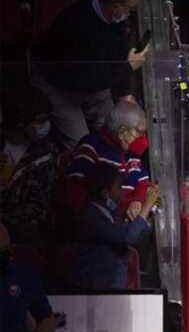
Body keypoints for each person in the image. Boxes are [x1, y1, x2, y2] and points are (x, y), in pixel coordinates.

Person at [32, 0, 148, 150]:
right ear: (116, 8)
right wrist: (127, 67)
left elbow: (116, 55)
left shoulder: (114, 19)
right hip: (60, 87)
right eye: (130, 9)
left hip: (95, 82)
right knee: (83, 147)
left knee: (116, 134)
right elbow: (86, 78)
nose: (129, 15)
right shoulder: (74, 23)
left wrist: (125, 93)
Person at [61, 101, 151, 238]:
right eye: (139, 132)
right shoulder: (92, 147)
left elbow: (142, 181)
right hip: (103, 231)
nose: (142, 139)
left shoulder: (130, 152)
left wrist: (137, 200)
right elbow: (75, 192)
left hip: (128, 223)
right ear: (122, 131)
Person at [73, 164, 158, 290]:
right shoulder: (92, 217)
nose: (121, 191)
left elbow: (139, 231)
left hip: (114, 286)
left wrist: (146, 212)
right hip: (98, 289)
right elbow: (128, 236)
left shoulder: (110, 212)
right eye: (118, 187)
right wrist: (147, 205)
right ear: (105, 193)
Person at [0, 89, 61, 245]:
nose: (44, 125)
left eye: (46, 120)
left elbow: (37, 206)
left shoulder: (45, 155)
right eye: (39, 120)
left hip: (17, 231)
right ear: (20, 122)